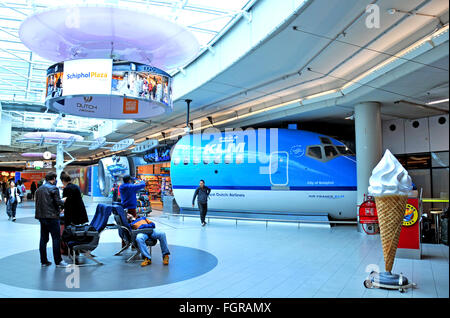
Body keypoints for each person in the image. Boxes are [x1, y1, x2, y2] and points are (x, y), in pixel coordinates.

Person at [35, 172, 69, 268]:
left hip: (42, 217)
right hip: (52, 218)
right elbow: (58, 202)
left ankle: (44, 261)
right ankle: (58, 261)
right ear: (54, 178)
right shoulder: (54, 188)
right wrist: (63, 200)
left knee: (43, 239)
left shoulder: (39, 189)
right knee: (56, 239)